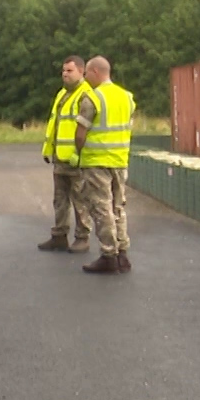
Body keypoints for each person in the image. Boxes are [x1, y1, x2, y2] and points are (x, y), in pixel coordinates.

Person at [76, 56, 134, 275]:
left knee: (102, 209)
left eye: (87, 73)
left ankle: (108, 255)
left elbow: (81, 133)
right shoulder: (127, 97)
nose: (85, 78)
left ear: (96, 72)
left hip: (97, 161)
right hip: (120, 160)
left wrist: (80, 153)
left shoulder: (92, 98)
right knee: (118, 207)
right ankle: (123, 253)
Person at [36, 55, 94, 254]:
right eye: (63, 70)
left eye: (69, 70)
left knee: (80, 201)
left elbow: (85, 129)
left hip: (76, 160)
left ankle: (82, 238)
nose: (65, 74)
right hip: (60, 158)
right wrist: (48, 150)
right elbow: (55, 125)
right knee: (59, 200)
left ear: (81, 71)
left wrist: (80, 153)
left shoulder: (85, 95)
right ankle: (59, 236)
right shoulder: (62, 94)